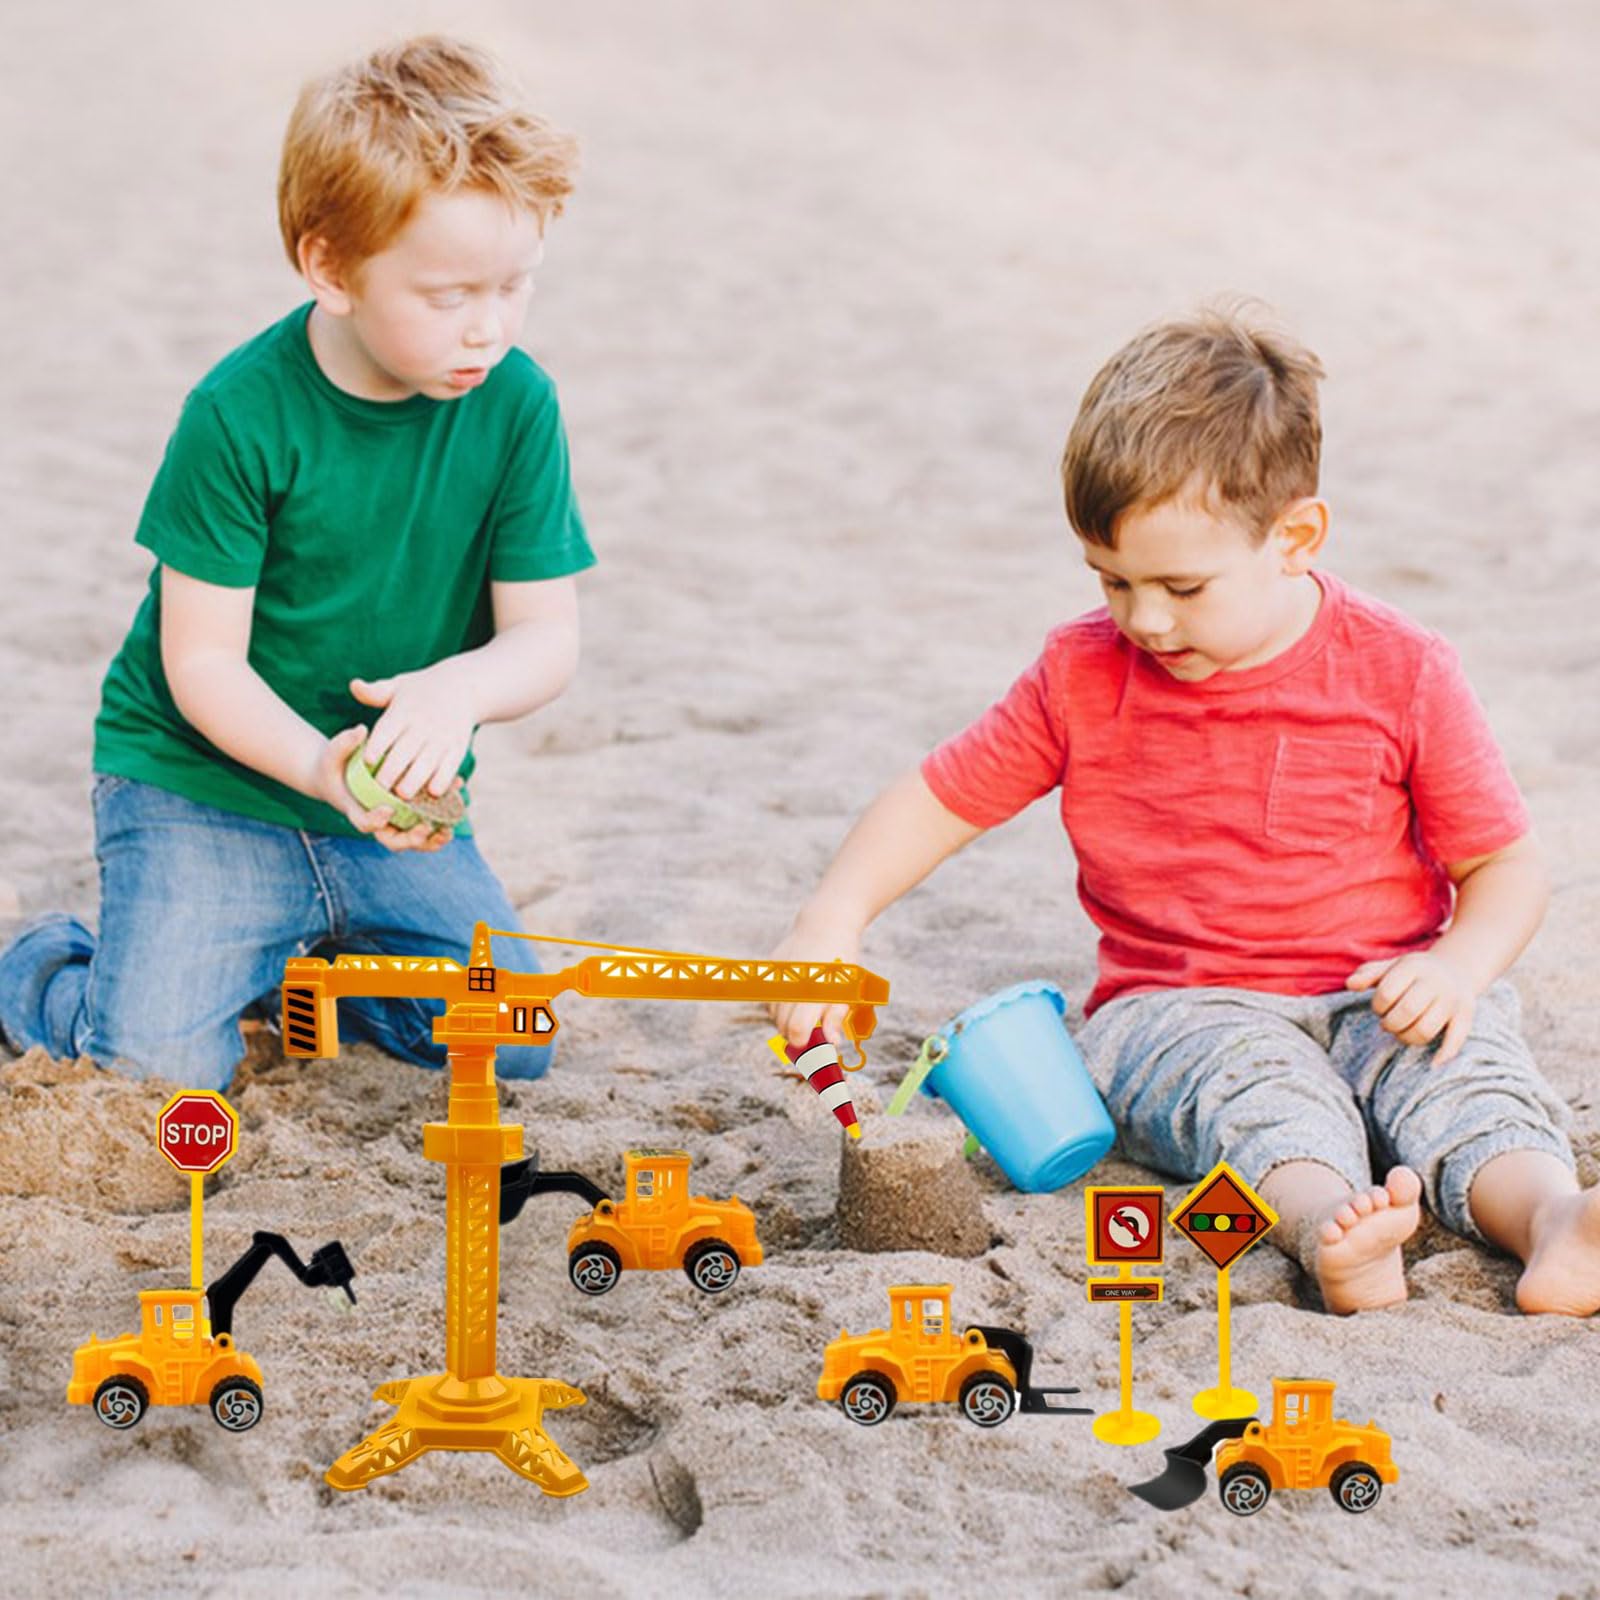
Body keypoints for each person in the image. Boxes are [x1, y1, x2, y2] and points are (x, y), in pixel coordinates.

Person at [772, 304, 1599, 1317]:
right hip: (1180, 1004)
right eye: (1111, 579)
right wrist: (832, 918)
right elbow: (940, 800)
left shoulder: (1401, 668)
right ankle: (1331, 1232)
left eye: (1181, 585)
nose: (1145, 619)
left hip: (1385, 982)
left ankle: (1552, 1220)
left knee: (1465, 1075)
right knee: (1255, 1099)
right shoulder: (1080, 673)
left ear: (1294, 538)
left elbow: (1506, 868)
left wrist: (1455, 966)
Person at [0, 37, 594, 1091]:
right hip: (201, 789)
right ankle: (43, 963)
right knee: (154, 1073)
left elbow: (545, 636)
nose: (490, 327)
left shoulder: (518, 406)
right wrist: (320, 766)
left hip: (387, 819)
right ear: (330, 268)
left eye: (516, 286)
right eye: (450, 295)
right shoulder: (238, 413)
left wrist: (460, 691)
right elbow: (204, 667)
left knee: (513, 1037)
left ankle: (285, 963)